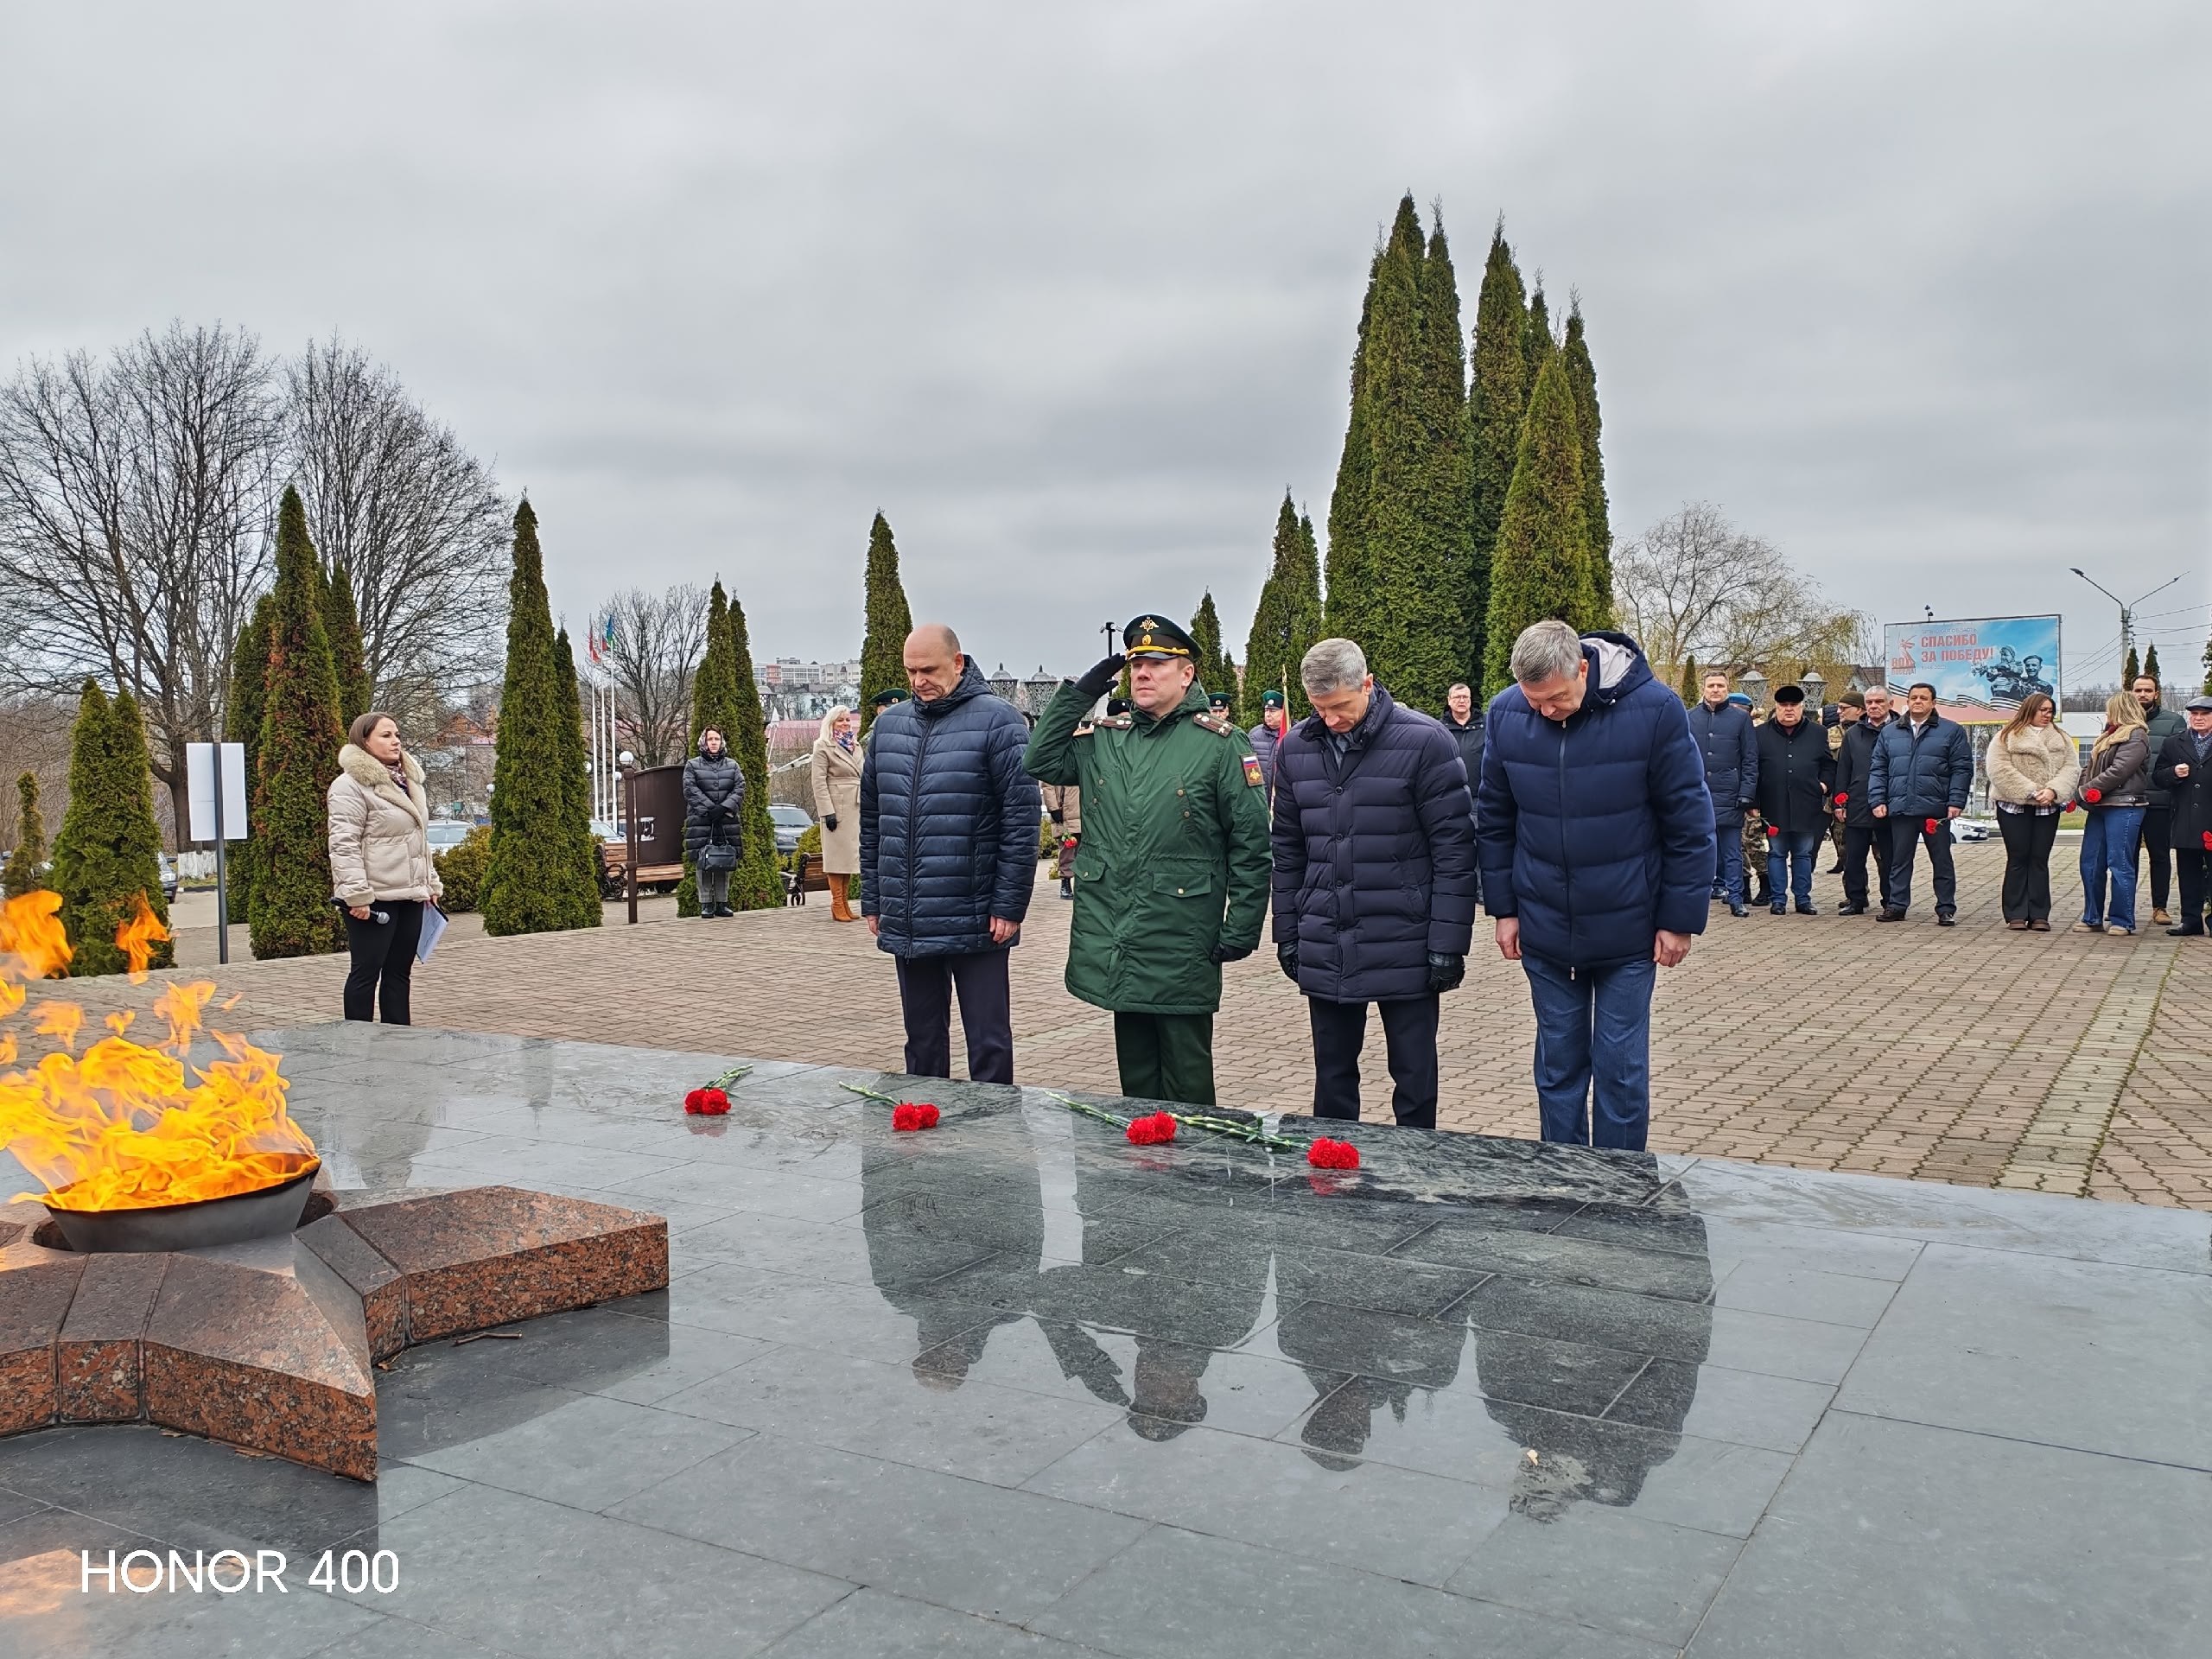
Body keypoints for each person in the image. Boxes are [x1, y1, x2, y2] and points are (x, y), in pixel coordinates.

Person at [1477, 620, 1713, 1150]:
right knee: (1557, 1065)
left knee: (1620, 1067)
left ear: (1583, 668)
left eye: (1556, 699)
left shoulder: (1654, 709)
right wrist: (1505, 910)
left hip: (1628, 927)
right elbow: (1495, 819)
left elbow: (1688, 822)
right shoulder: (1506, 714)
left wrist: (1679, 919)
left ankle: (1619, 1181)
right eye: (1533, 700)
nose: (1544, 711)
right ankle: (1564, 1173)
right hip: (1543, 925)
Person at [1025, 613, 1271, 1106]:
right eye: (1135, 664)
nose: (1142, 674)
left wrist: (1242, 926)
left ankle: (1194, 1173)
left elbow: (1252, 844)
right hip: (1117, 931)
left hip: (1182, 934)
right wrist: (1078, 694)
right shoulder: (1106, 738)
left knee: (1186, 1076)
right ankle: (1140, 1172)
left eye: (1158, 664)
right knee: (1135, 1074)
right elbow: (1040, 760)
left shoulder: (1219, 746)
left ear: (1187, 674)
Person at [1270, 639, 1477, 1129]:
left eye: (1340, 707)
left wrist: (1448, 944)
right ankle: (1334, 1169)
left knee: (1414, 1073)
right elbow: (1288, 850)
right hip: (1327, 935)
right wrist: (1288, 933)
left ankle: (1417, 1163)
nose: (1330, 720)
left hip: (1405, 938)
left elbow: (1455, 849)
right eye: (1319, 709)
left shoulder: (1425, 742)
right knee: (1333, 1074)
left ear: (1367, 684)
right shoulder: (1296, 747)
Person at [860, 624, 1040, 1083]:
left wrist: (1009, 905)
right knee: (921, 1040)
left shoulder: (1000, 722)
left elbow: (1020, 823)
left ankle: (996, 1134)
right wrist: (875, 899)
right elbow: (873, 819)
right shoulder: (888, 725)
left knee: (989, 1041)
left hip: (978, 914)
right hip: (909, 914)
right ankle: (923, 1128)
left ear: (958, 663)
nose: (919, 680)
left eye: (929, 670)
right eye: (911, 671)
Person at [327, 711, 442, 1024]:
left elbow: (418, 839)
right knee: (365, 974)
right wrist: (357, 896)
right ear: (364, 741)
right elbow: (343, 844)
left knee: (399, 975)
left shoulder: (410, 783)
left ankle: (398, 1044)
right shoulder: (349, 785)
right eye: (386, 735)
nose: (396, 741)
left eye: (397, 735)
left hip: (411, 895)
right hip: (372, 899)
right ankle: (357, 1040)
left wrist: (430, 884)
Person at [1869, 682, 1973, 924]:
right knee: (1899, 860)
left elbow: (1962, 769)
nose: (1918, 701)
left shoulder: (1951, 731)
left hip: (1935, 810)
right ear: (1907, 700)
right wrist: (1877, 799)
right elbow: (1878, 768)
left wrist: (1956, 801)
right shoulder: (1890, 732)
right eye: (1913, 697)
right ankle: (1896, 905)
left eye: (1923, 698)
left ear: (1933, 703)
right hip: (1901, 808)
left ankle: (1946, 908)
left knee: (1942, 861)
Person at [1984, 692, 2077, 931]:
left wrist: (2054, 791)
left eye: (2050, 711)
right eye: (2042, 710)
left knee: (2039, 859)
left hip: (2047, 808)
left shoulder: (2062, 738)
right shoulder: (2006, 736)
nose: (2047, 715)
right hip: (2013, 806)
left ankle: (2039, 914)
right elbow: (1998, 768)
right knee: (2018, 857)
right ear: (2030, 710)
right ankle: (2015, 913)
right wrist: (2031, 790)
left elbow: (2071, 768)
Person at [1752, 684, 1834, 914]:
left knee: (1803, 853)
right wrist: (1753, 802)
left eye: (1794, 705)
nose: (1789, 710)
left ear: (1802, 707)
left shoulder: (1818, 733)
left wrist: (1824, 785)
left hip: (1806, 804)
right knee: (1776, 852)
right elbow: (1752, 769)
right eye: (1783, 705)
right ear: (1776, 707)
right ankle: (1778, 900)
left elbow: (1828, 765)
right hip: (1773, 804)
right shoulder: (1760, 734)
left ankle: (1803, 899)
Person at [2075, 689, 2150, 936]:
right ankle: (2092, 917)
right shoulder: (2107, 736)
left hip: (2124, 806)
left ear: (2120, 709)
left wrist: (2086, 790)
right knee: (2090, 863)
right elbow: (2089, 766)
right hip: (2100, 807)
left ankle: (2122, 920)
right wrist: (2083, 789)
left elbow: (2119, 771)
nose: (2106, 713)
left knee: (2119, 863)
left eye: (2110, 709)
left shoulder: (2136, 736)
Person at [1685, 671, 1758, 917]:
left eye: (1720, 685)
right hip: (1698, 794)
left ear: (1727, 688)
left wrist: (1747, 793)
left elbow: (1750, 759)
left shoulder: (1740, 719)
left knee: (1732, 851)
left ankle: (1736, 897)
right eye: (1711, 685)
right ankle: (1696, 896)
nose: (1715, 690)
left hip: (1730, 794)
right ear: (1703, 688)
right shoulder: (1690, 717)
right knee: (1697, 851)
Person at [2152, 695, 2212, 937]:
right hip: (2186, 817)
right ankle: (2191, 920)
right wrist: (2173, 773)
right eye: (2194, 714)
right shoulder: (2174, 743)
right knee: (2188, 871)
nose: (2198, 719)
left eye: (2204, 714)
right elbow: (2158, 776)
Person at [1832, 686, 1894, 914]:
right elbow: (1843, 770)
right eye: (1869, 702)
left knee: (1889, 857)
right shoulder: (1853, 734)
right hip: (1858, 801)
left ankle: (1891, 900)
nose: (1874, 706)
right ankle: (1856, 899)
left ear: (1890, 704)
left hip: (1889, 804)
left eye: (1879, 702)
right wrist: (1840, 802)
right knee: (1854, 857)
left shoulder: (1899, 730)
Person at [2133, 674, 2184, 925]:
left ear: (2156, 694)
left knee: (2160, 856)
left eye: (2148, 690)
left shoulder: (2174, 722)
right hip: (2127, 802)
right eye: (2138, 690)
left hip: (2160, 802)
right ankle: (2123, 906)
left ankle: (2160, 907)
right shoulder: (2119, 720)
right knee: (2125, 858)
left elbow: (2182, 758)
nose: (2142, 694)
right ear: (2131, 693)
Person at [682, 728, 744, 917]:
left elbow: (740, 788)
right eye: (710, 739)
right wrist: (710, 809)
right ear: (704, 742)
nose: (714, 742)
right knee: (704, 861)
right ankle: (706, 904)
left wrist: (724, 808)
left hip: (726, 820)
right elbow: (690, 789)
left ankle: (722, 903)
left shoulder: (732, 765)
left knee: (723, 860)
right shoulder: (692, 765)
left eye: (717, 738)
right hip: (702, 820)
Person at [809, 705, 862, 922]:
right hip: (837, 806)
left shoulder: (855, 745)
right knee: (836, 857)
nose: (845, 724)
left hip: (856, 805)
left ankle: (845, 902)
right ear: (831, 723)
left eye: (848, 720)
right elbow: (818, 782)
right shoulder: (823, 746)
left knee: (849, 858)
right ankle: (837, 902)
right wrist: (827, 811)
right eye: (840, 720)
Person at [1823, 695, 1859, 872]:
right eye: (1838, 708)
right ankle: (1854, 894)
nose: (1839, 712)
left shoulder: (1872, 731)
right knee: (1842, 843)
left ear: (1859, 709)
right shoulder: (1830, 733)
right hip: (1838, 796)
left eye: (1844, 708)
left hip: (1865, 795)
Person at [1442, 682, 1486, 816]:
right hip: (1451, 797)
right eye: (1457, 697)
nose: (1462, 701)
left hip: (1481, 796)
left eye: (1466, 697)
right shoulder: (1440, 729)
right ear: (1449, 700)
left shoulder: (1487, 724)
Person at [1041, 778, 1080, 899]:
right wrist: (1053, 808)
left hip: (1085, 812)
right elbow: (1048, 786)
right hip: (1065, 814)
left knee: (1086, 852)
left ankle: (1083, 886)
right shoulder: (1059, 760)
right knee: (1067, 851)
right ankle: (1066, 882)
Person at [1248, 688, 1289, 793]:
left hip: (1285, 795)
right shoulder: (1254, 735)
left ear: (1283, 712)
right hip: (1261, 795)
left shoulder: (1292, 734)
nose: (1268, 715)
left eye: (1272, 711)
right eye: (1266, 710)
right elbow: (1249, 767)